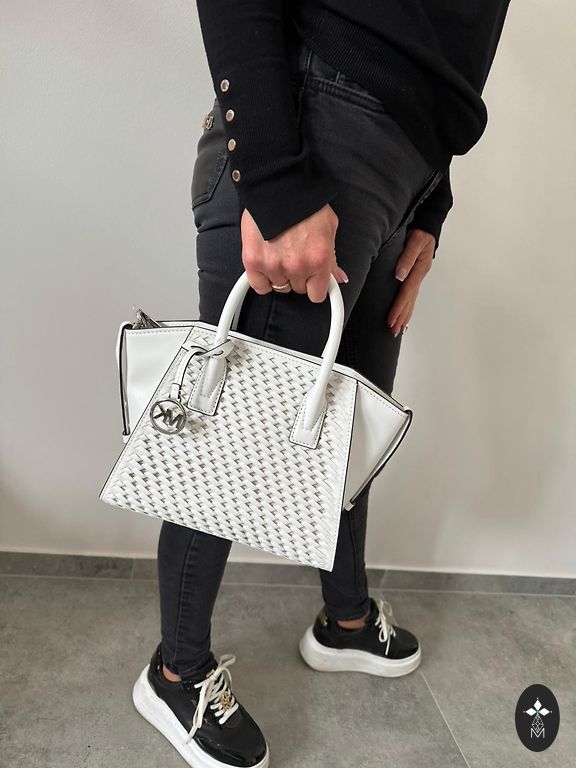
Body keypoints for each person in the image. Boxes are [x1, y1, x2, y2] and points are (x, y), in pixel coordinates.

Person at [132, 2, 512, 766]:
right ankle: (175, 672)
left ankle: (345, 620)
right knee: (227, 443)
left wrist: (431, 201)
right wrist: (276, 179)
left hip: (404, 171)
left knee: (343, 431)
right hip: (317, 135)